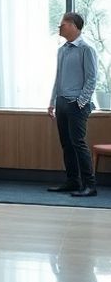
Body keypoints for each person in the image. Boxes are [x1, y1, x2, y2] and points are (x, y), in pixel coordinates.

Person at [47, 12, 100, 197]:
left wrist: (80, 102)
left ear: (73, 26)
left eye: (62, 24)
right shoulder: (62, 50)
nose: (59, 28)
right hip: (61, 102)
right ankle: (73, 182)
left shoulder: (86, 49)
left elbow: (92, 79)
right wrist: (52, 102)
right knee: (66, 144)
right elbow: (58, 78)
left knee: (78, 143)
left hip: (77, 104)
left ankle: (90, 186)